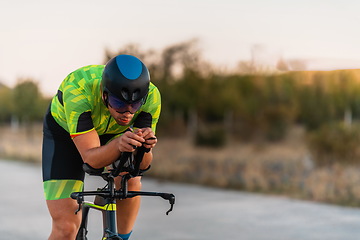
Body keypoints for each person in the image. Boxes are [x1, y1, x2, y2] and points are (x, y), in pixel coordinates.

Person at [42, 54, 161, 240]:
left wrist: (145, 148)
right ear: (104, 94)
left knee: (131, 179)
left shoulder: (152, 97)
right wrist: (117, 145)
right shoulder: (78, 89)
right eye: (118, 103)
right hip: (64, 135)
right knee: (66, 229)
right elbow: (91, 161)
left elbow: (142, 166)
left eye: (135, 105)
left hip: (115, 134)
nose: (127, 113)